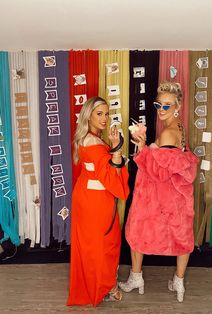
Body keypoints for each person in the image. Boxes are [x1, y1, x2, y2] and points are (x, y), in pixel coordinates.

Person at [119, 82, 199, 302]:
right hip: (177, 197)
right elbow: (171, 164)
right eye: (158, 105)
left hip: (158, 198)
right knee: (183, 237)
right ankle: (178, 283)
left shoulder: (167, 134)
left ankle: (136, 278)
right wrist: (147, 146)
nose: (161, 110)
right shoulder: (179, 128)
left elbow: (159, 173)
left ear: (177, 106)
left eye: (167, 106)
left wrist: (143, 148)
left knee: (137, 231)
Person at [67, 96, 129, 307]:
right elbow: (111, 176)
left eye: (106, 113)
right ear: (88, 116)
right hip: (96, 200)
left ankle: (96, 284)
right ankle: (106, 287)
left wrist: (111, 148)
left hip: (86, 196)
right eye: (99, 114)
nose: (104, 118)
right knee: (105, 243)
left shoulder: (87, 137)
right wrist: (117, 149)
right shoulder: (94, 143)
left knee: (92, 244)